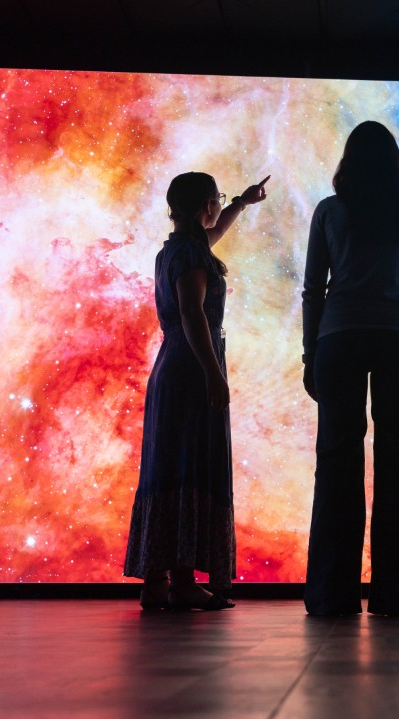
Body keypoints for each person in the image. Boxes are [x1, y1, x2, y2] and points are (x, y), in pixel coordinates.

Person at [301, 120, 399, 617]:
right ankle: (397, 595)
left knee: (337, 462)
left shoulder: (329, 211)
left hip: (338, 338)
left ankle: (331, 595)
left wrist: (309, 354)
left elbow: (313, 290)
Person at [124, 171, 269, 611]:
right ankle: (183, 581)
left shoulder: (174, 249)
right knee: (189, 465)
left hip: (171, 365)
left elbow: (215, 231)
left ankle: (157, 580)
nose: (218, 207)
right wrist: (213, 373)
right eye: (217, 200)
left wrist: (241, 202)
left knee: (169, 466)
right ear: (205, 204)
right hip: (191, 369)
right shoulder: (190, 254)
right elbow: (192, 313)